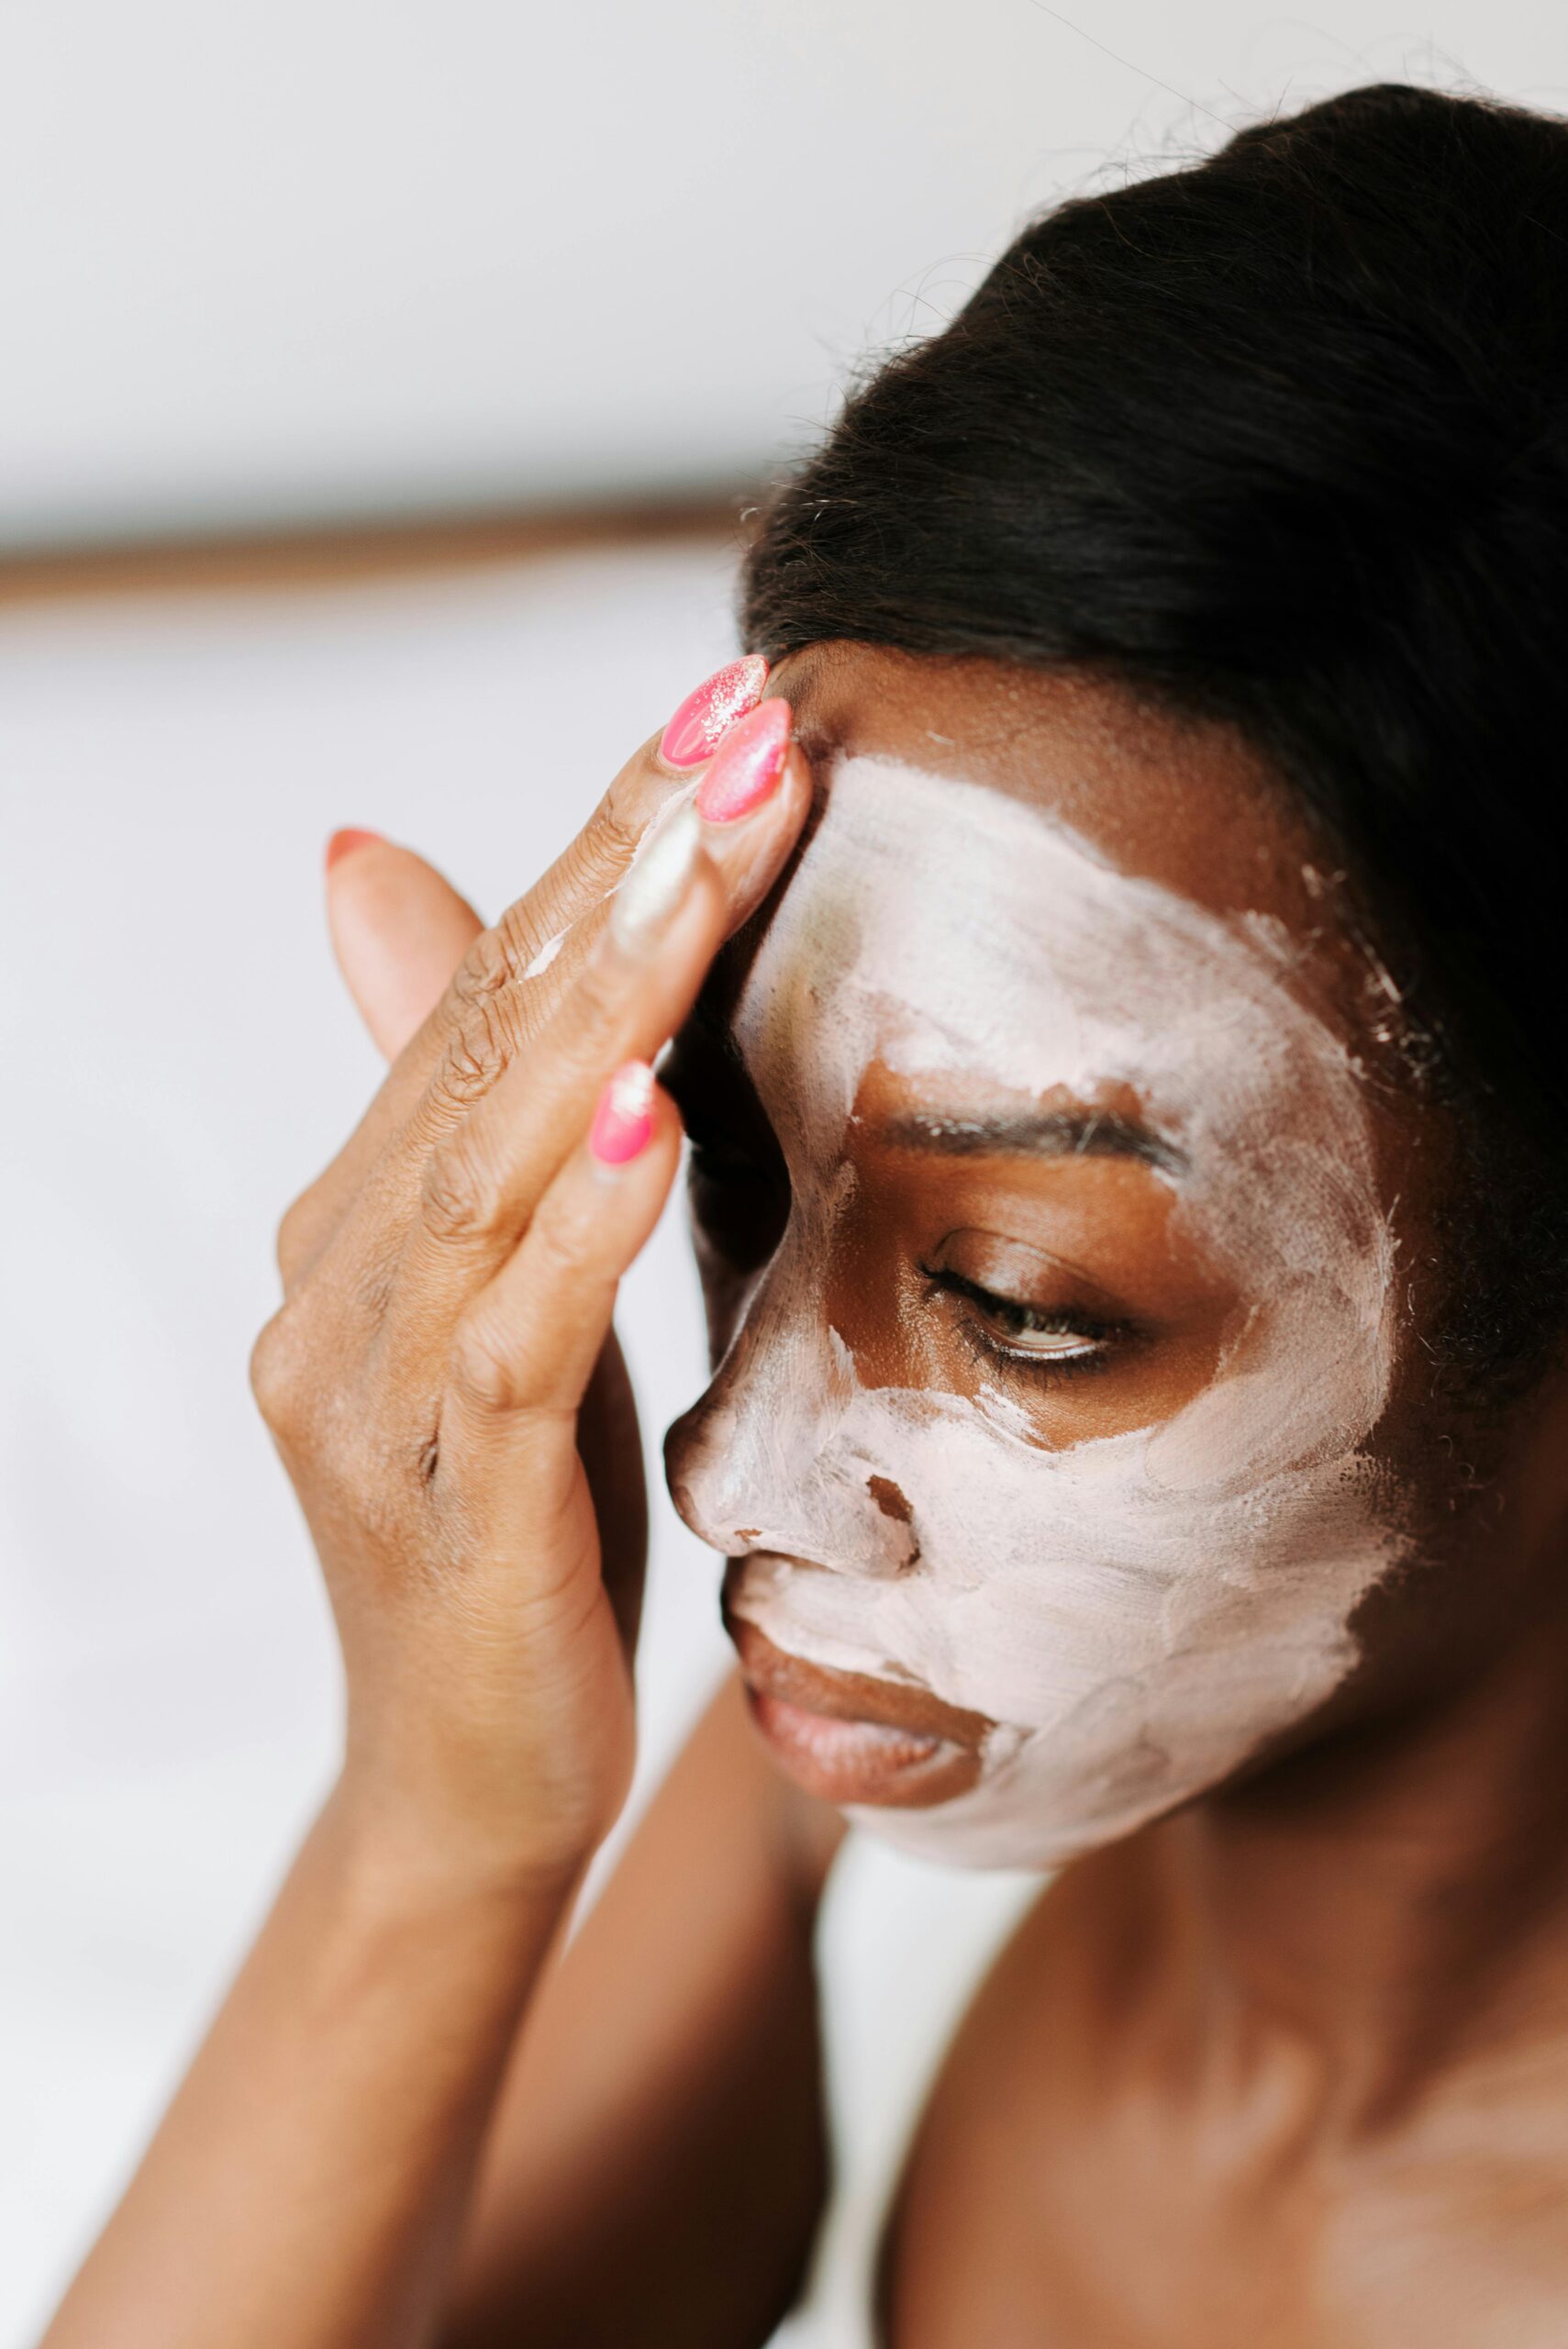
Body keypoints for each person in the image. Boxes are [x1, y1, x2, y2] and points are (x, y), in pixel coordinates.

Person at [42, 79, 1568, 2349]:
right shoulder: (879, 1818)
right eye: (733, 1180)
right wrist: (442, 1817)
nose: (724, 1467)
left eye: (1023, 1300)